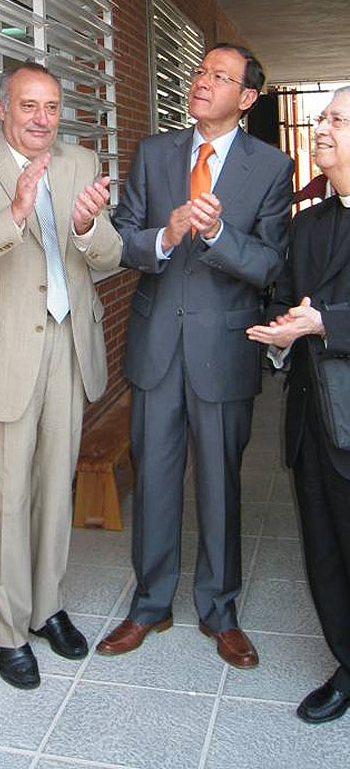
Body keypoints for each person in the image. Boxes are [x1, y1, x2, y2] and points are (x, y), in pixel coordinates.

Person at [97, 43, 293, 668]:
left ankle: (220, 610)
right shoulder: (155, 154)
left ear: (248, 97)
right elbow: (125, 239)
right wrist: (167, 233)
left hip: (223, 352)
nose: (203, 82)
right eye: (201, 71)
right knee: (154, 478)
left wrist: (215, 234)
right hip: (157, 348)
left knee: (219, 484)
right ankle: (150, 605)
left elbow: (270, 264)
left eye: (220, 76)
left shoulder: (270, 167)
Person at [0, 61, 122, 689]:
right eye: (29, 106)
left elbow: (112, 255)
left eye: (51, 106)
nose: (43, 119)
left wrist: (88, 227)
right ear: (2, 108)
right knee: (3, 501)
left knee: (51, 489)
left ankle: (46, 608)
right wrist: (13, 214)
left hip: (67, 345)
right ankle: (8, 631)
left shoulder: (79, 165)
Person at [247, 86, 350, 723]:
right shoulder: (309, 220)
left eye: (337, 119)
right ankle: (346, 660)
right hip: (314, 414)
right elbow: (287, 297)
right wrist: (282, 332)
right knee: (324, 546)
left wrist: (324, 324)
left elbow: (321, 316)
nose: (321, 129)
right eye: (320, 119)